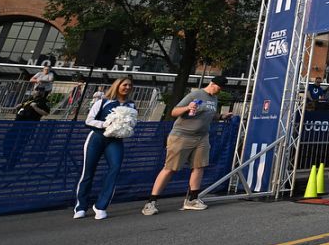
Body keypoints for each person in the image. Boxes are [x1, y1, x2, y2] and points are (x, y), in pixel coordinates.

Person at [141, 75, 228, 215]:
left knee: (199, 166)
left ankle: (192, 199)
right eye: (219, 87)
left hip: (202, 137)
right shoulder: (195, 94)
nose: (220, 90)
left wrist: (222, 117)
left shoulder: (214, 98)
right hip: (182, 135)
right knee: (170, 168)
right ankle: (151, 202)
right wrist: (188, 107)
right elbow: (174, 111)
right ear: (212, 84)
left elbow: (210, 114)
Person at [74, 77, 136, 220]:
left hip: (115, 141)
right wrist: (106, 124)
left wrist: (125, 129)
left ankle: (101, 206)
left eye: (129, 85)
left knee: (115, 168)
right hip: (96, 138)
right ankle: (81, 206)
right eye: (124, 84)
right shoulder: (103, 101)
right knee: (88, 172)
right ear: (117, 85)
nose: (127, 87)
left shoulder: (131, 105)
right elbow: (88, 121)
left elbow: (132, 123)